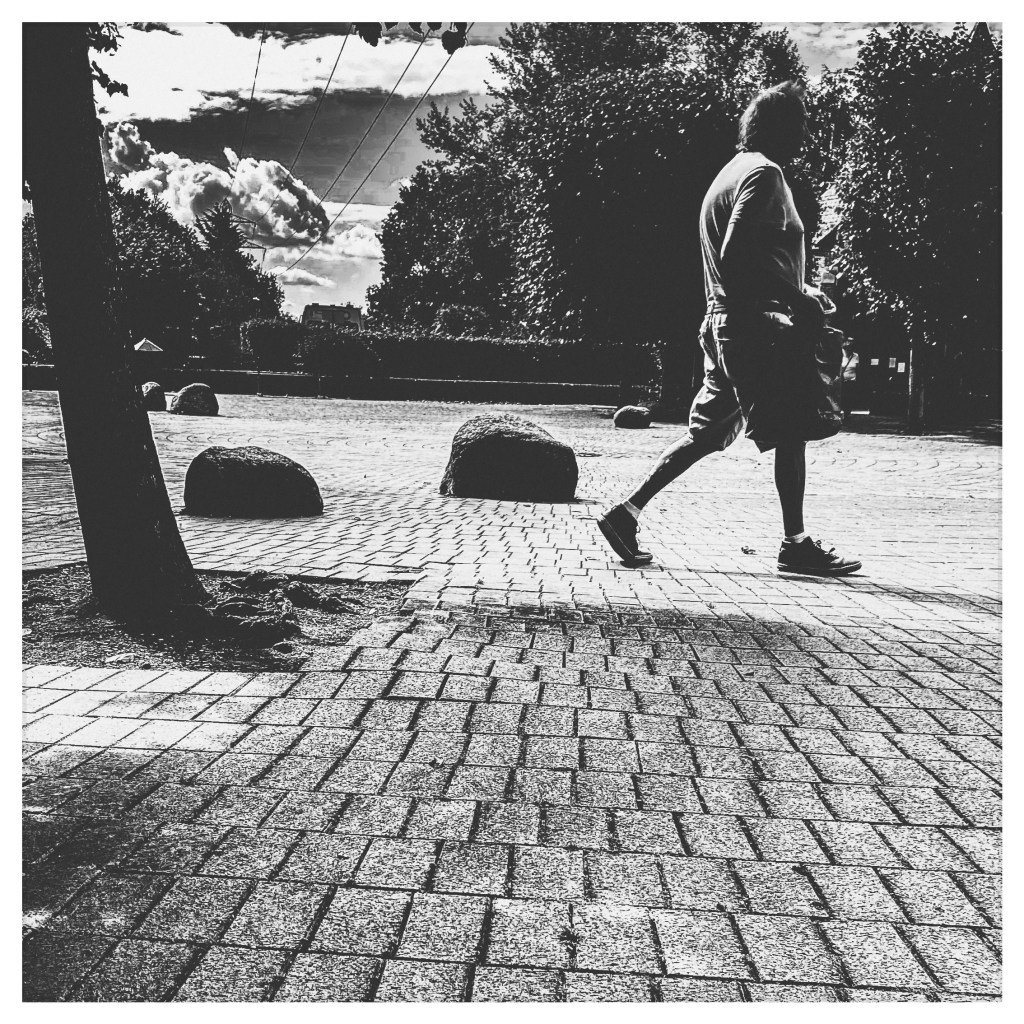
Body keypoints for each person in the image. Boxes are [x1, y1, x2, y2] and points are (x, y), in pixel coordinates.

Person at [597, 80, 861, 577]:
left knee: (706, 434)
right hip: (757, 329)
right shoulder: (764, 173)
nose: (806, 134)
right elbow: (736, 252)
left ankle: (625, 514)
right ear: (782, 128)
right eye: (802, 124)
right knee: (792, 428)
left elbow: (743, 257)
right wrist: (797, 298)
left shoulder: (729, 173)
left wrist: (796, 287)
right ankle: (796, 545)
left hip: (726, 326)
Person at [841, 335, 860, 419]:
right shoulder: (840, 355)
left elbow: (857, 368)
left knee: (849, 398)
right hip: (842, 380)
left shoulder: (855, 356)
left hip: (852, 381)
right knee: (843, 397)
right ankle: (843, 412)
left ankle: (847, 413)